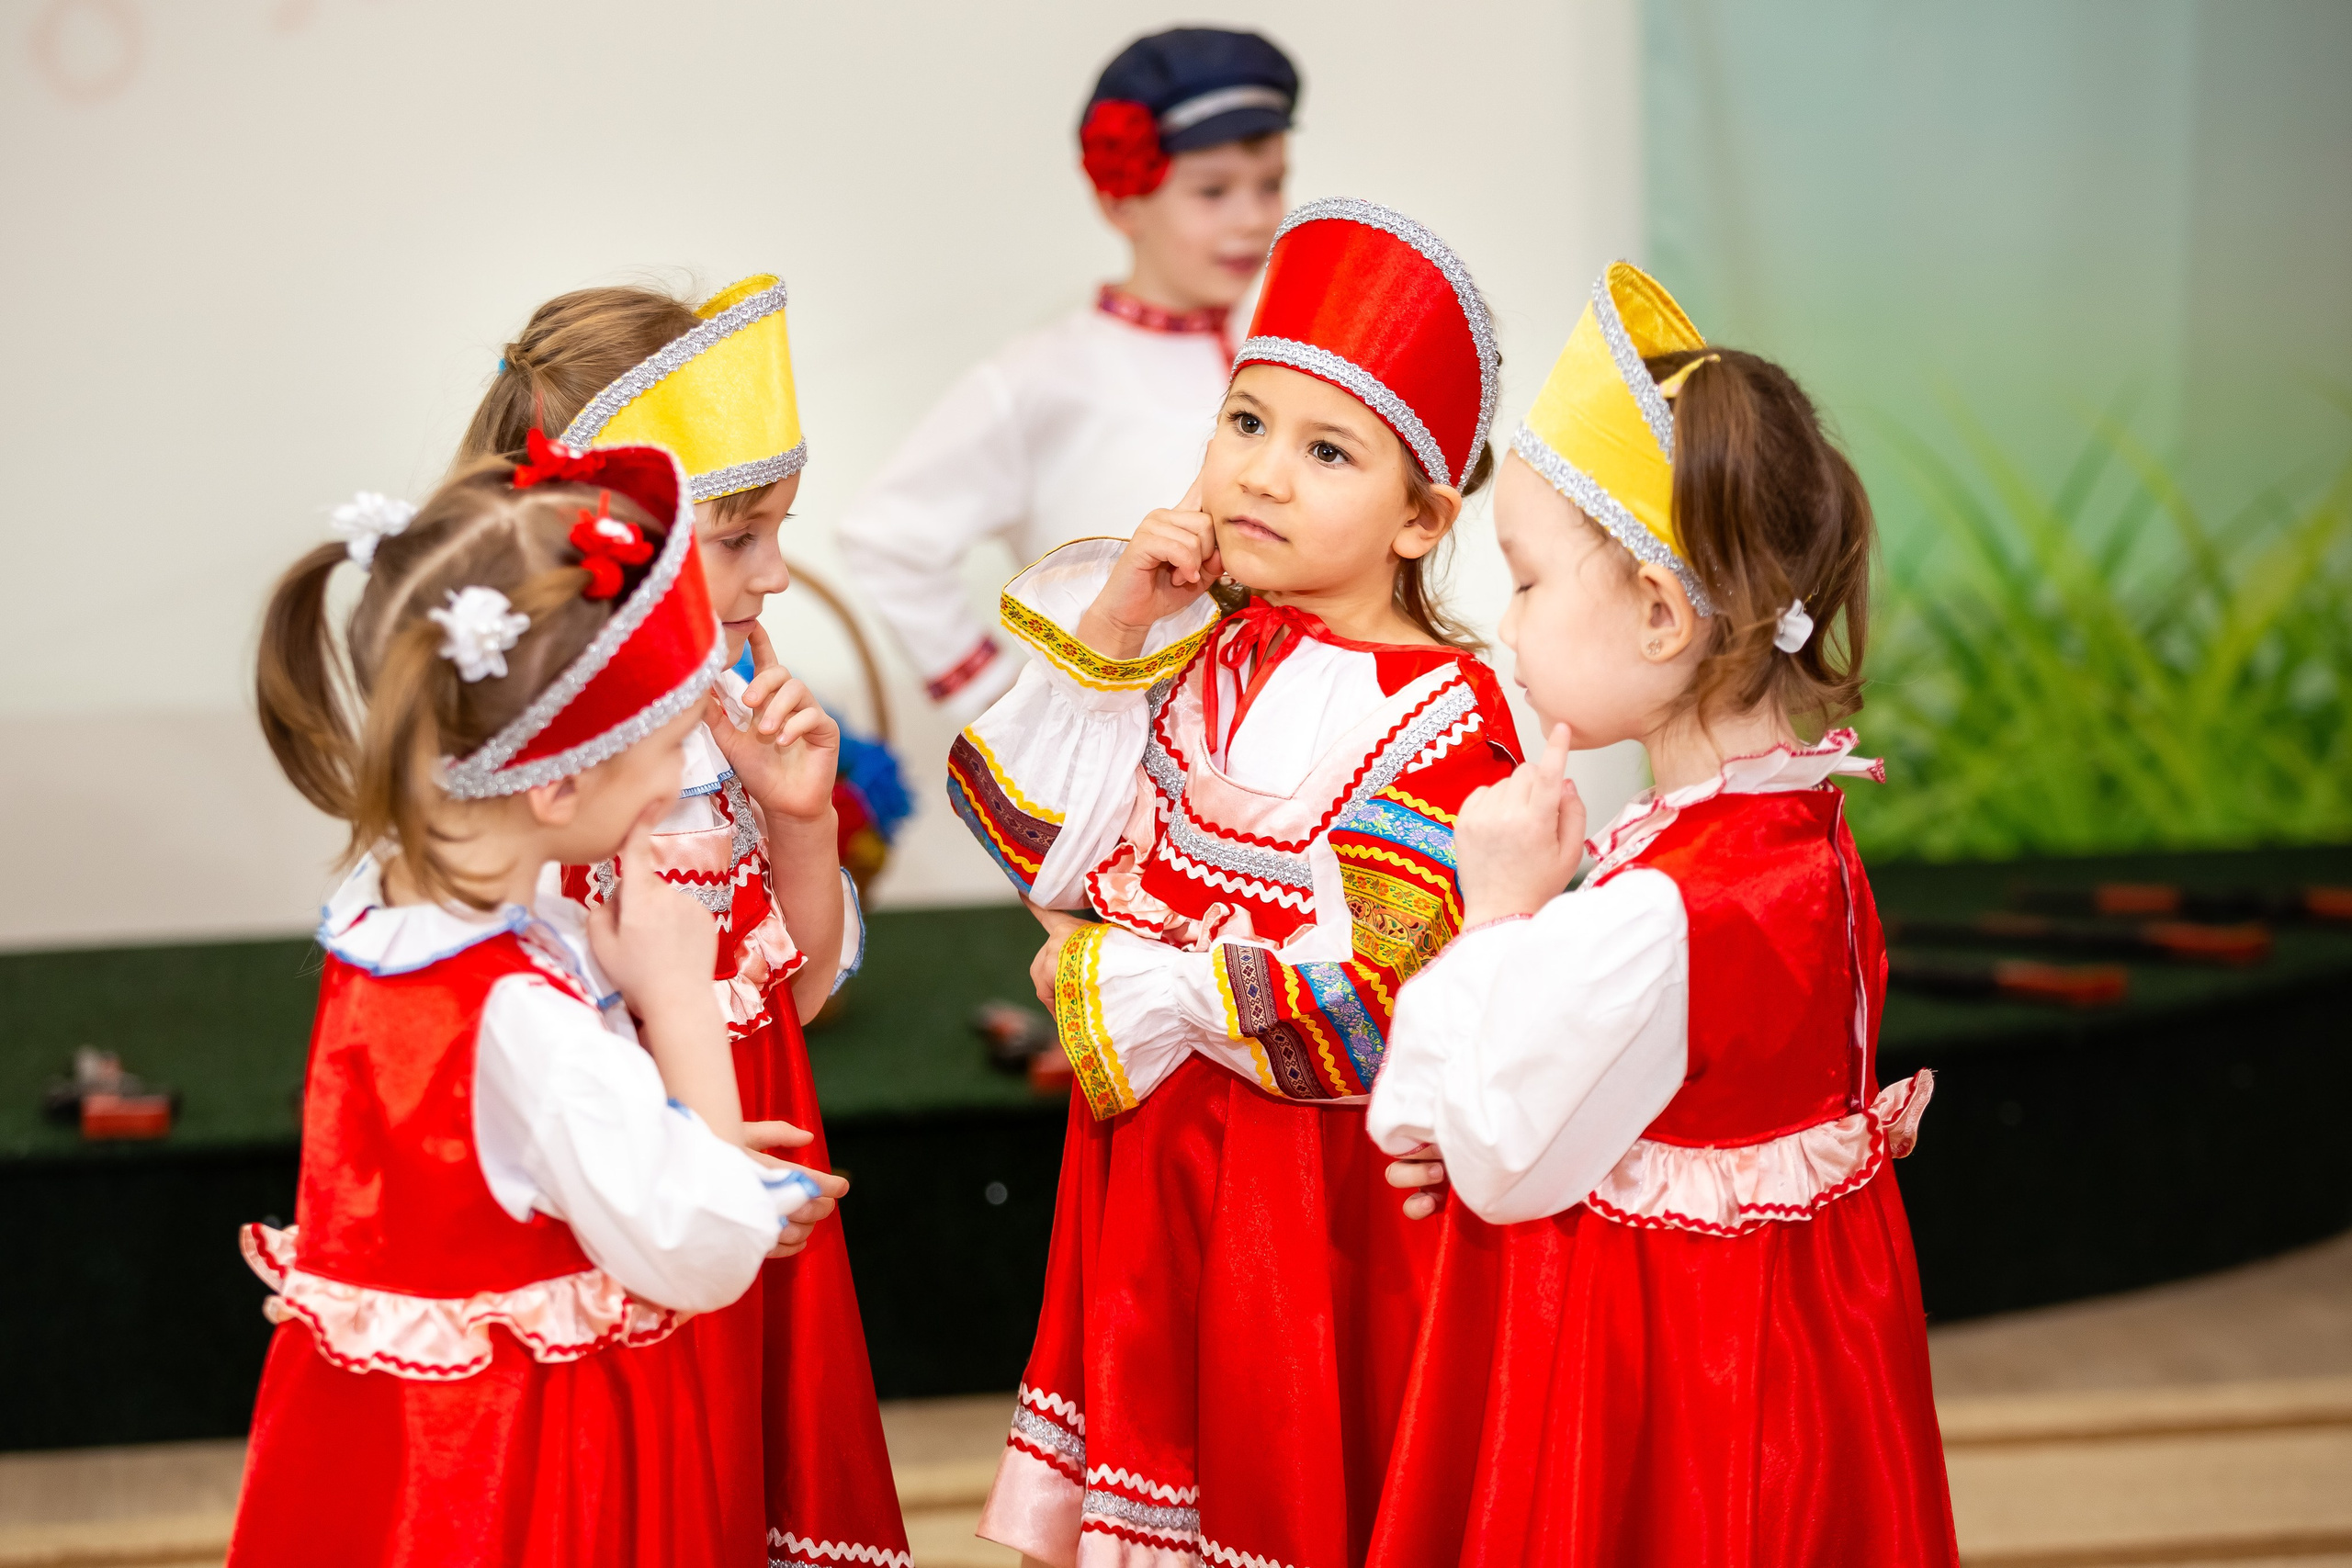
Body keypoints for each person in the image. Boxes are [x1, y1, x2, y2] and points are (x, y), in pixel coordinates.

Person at [947, 199, 1518, 1568]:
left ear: (1423, 518)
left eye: (1328, 451)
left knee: (1286, 1489)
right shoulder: (1198, 653)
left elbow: (1370, 1003)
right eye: (1245, 422)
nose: (1261, 474)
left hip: (1303, 1200)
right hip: (1152, 1167)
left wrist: (1116, 971)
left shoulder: (1447, 714)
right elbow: (1043, 843)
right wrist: (1120, 622)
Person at [1363, 263, 1959, 1566]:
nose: (1504, 623)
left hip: (1670, 1402)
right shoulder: (1805, 833)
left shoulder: (1652, 912)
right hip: (1796, 1381)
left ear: (1655, 611)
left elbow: (1486, 1153)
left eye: (1525, 582)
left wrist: (1498, 910)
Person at [229, 442, 846, 1567]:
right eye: (668, 748)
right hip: (520, 1481)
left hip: (405, 1467)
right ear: (557, 783)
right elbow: (696, 1247)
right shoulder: (527, 1017)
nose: (677, 781)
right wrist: (678, 1002)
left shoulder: (381, 919)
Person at [459, 276, 909, 1568]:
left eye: (778, 530)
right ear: (600, 541)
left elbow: (796, 993)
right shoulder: (546, 773)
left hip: (747, 1162)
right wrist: (702, 1150)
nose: (776, 573)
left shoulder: (725, 704)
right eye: (738, 536)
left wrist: (803, 821)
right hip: (626, 1205)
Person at [835, 27, 1299, 723]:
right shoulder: (1049, 373)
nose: (1254, 218)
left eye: (1271, 185)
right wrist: (1006, 705)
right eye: (1212, 191)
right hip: (1119, 746)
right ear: (1120, 201)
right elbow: (885, 535)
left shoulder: (1286, 350)